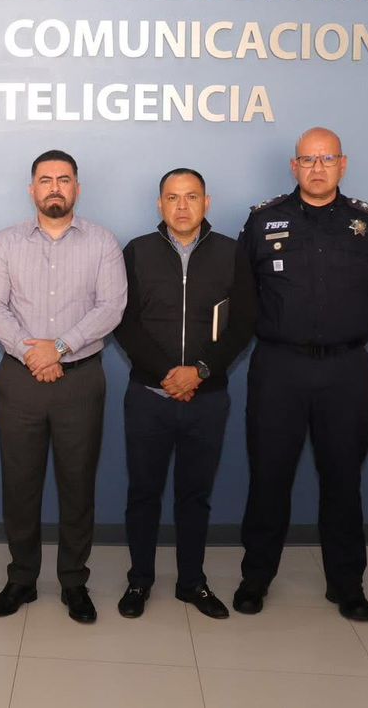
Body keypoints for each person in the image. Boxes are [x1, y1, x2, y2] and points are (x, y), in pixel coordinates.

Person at [234, 127, 368, 623]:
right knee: (268, 478)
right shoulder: (263, 220)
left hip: (345, 369)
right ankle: (255, 578)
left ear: (343, 164)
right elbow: (244, 292)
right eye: (308, 159)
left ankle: (347, 584)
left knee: (343, 480)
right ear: (294, 166)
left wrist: (351, 332)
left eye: (327, 159)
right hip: (278, 368)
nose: (317, 168)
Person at [0, 149, 125, 624]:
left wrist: (58, 348)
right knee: (19, 484)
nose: (55, 187)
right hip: (19, 380)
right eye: (46, 180)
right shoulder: (6, 242)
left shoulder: (102, 242)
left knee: (77, 484)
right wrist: (33, 353)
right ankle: (21, 578)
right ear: (32, 189)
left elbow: (111, 307)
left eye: (64, 179)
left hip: (80, 380)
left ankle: (73, 581)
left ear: (77, 188)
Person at [112, 168, 254, 620]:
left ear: (206, 203)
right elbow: (124, 323)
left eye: (191, 197)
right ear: (160, 204)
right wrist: (168, 375)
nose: (182, 206)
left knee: (195, 495)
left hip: (207, 398)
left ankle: (192, 582)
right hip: (148, 397)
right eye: (172, 198)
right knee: (143, 493)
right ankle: (140, 579)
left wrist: (199, 372)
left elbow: (243, 324)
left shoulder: (232, 253)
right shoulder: (137, 251)